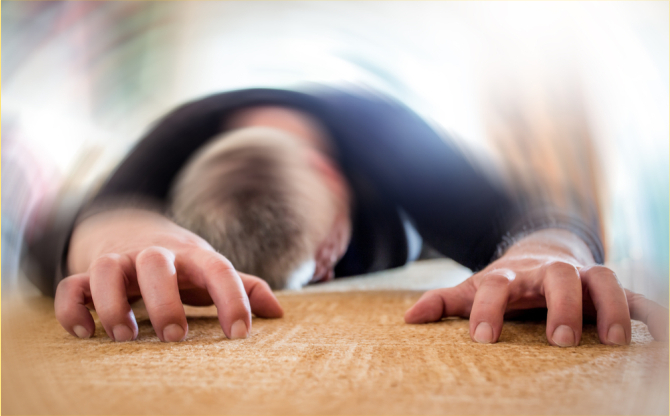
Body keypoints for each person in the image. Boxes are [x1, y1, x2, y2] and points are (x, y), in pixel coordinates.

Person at [29, 87, 668, 345]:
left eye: (327, 259)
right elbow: (70, 227)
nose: (325, 286)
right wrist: (122, 239)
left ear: (333, 178)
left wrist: (549, 251)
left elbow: (535, 210)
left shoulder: (386, 134)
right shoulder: (170, 147)